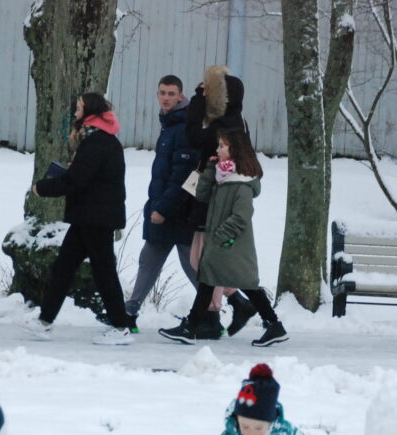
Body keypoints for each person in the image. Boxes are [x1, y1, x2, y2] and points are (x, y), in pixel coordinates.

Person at [159, 127, 288, 347]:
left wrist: (220, 236)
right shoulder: (222, 175)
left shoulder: (241, 183)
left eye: (221, 146)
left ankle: (274, 325)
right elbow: (201, 194)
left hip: (232, 244)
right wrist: (210, 168)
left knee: (247, 285)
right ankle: (190, 327)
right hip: (220, 242)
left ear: (234, 149)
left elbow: (242, 216)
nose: (217, 149)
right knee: (208, 280)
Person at [30, 92, 133, 346]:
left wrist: (43, 188)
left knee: (104, 271)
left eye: (79, 107)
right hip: (89, 216)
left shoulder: (96, 142)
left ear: (90, 113)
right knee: (64, 267)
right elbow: (86, 174)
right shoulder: (98, 140)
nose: (75, 111)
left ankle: (121, 327)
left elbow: (77, 181)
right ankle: (44, 321)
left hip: (96, 217)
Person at [123, 75, 201, 333]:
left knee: (190, 265)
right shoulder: (170, 125)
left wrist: (163, 209)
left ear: (181, 96)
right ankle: (130, 311)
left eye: (171, 93)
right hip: (164, 207)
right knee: (151, 259)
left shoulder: (183, 127)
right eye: (162, 93)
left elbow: (183, 175)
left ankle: (218, 310)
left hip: (174, 211)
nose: (166, 97)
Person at [184, 65, 257, 338]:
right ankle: (237, 302)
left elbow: (192, 135)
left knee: (204, 260)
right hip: (212, 196)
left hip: (217, 201)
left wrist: (197, 99)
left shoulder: (226, 125)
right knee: (200, 259)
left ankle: (212, 317)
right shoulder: (233, 120)